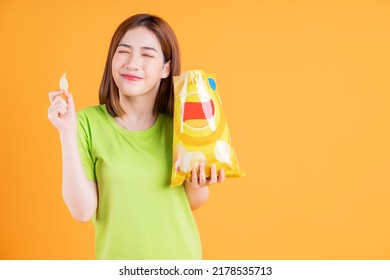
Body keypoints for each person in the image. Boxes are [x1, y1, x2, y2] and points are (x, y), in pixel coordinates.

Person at [47, 13, 225, 260]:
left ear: (165, 68)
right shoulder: (87, 123)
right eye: (124, 51)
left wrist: (200, 181)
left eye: (147, 54)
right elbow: (82, 210)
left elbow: (191, 202)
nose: (132, 62)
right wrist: (66, 132)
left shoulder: (181, 125)